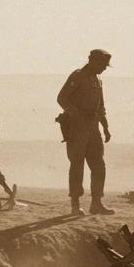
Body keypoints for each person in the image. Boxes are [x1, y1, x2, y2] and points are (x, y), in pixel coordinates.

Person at [57, 49, 114, 216]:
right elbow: (62, 98)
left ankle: (96, 204)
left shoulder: (98, 80)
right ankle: (75, 205)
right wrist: (77, 115)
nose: (104, 68)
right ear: (92, 60)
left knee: (99, 166)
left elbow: (101, 106)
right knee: (77, 166)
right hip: (76, 129)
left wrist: (105, 127)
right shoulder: (78, 76)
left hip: (93, 129)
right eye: (103, 64)